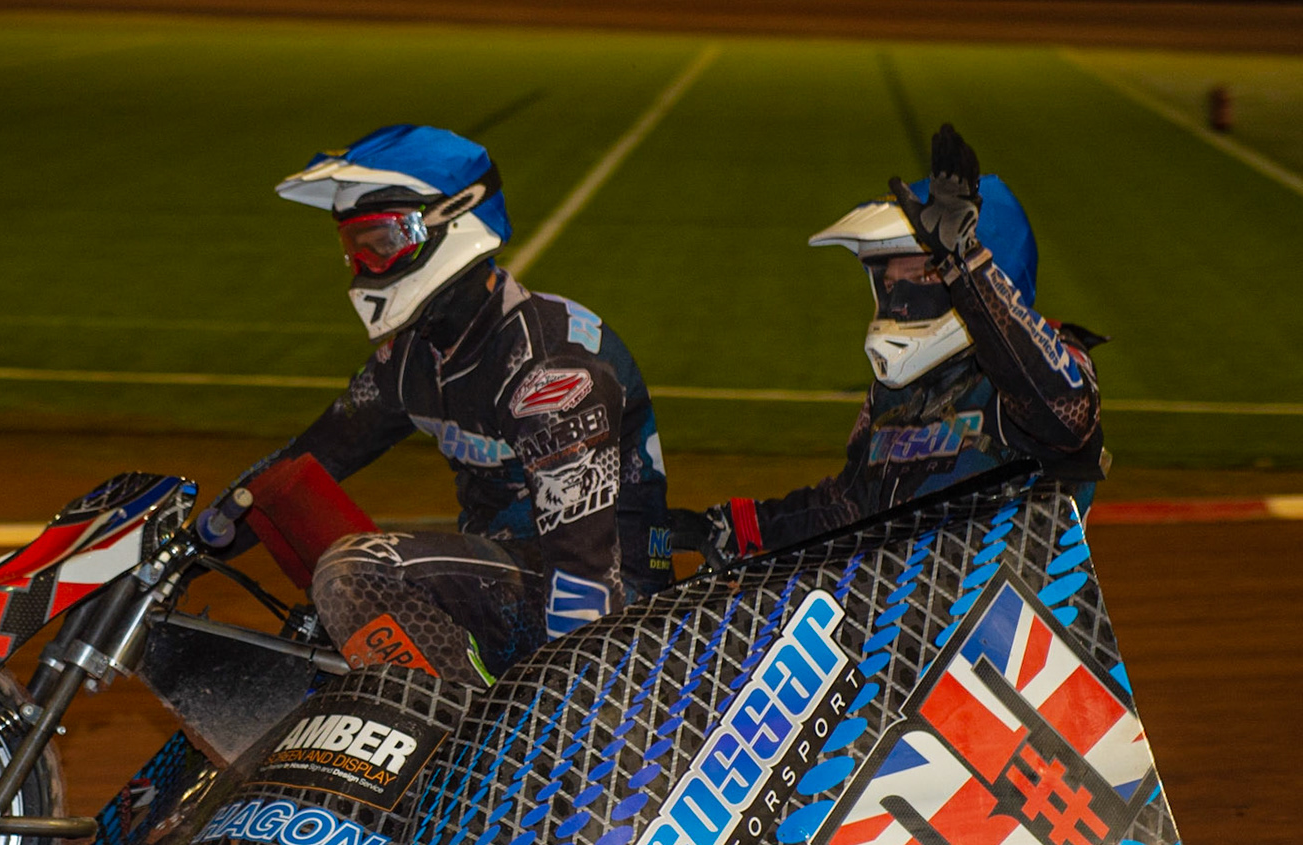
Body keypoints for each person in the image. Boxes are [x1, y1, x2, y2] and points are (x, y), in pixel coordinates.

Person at [222, 124, 672, 688]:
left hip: (615, 609)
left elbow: (584, 578)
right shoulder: (414, 355)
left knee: (354, 574)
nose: (366, 266)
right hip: (514, 582)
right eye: (355, 248)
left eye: (383, 243)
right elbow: (311, 458)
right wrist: (196, 541)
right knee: (310, 643)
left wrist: (556, 707)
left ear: (454, 221)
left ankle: (464, 749)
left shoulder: (549, 369)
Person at [670, 124, 1107, 566]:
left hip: (1007, 628)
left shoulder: (1051, 361)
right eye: (889, 282)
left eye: (918, 277)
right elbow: (849, 506)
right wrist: (735, 527)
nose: (897, 298)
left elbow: (1063, 414)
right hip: (908, 627)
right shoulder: (896, 395)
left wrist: (964, 264)